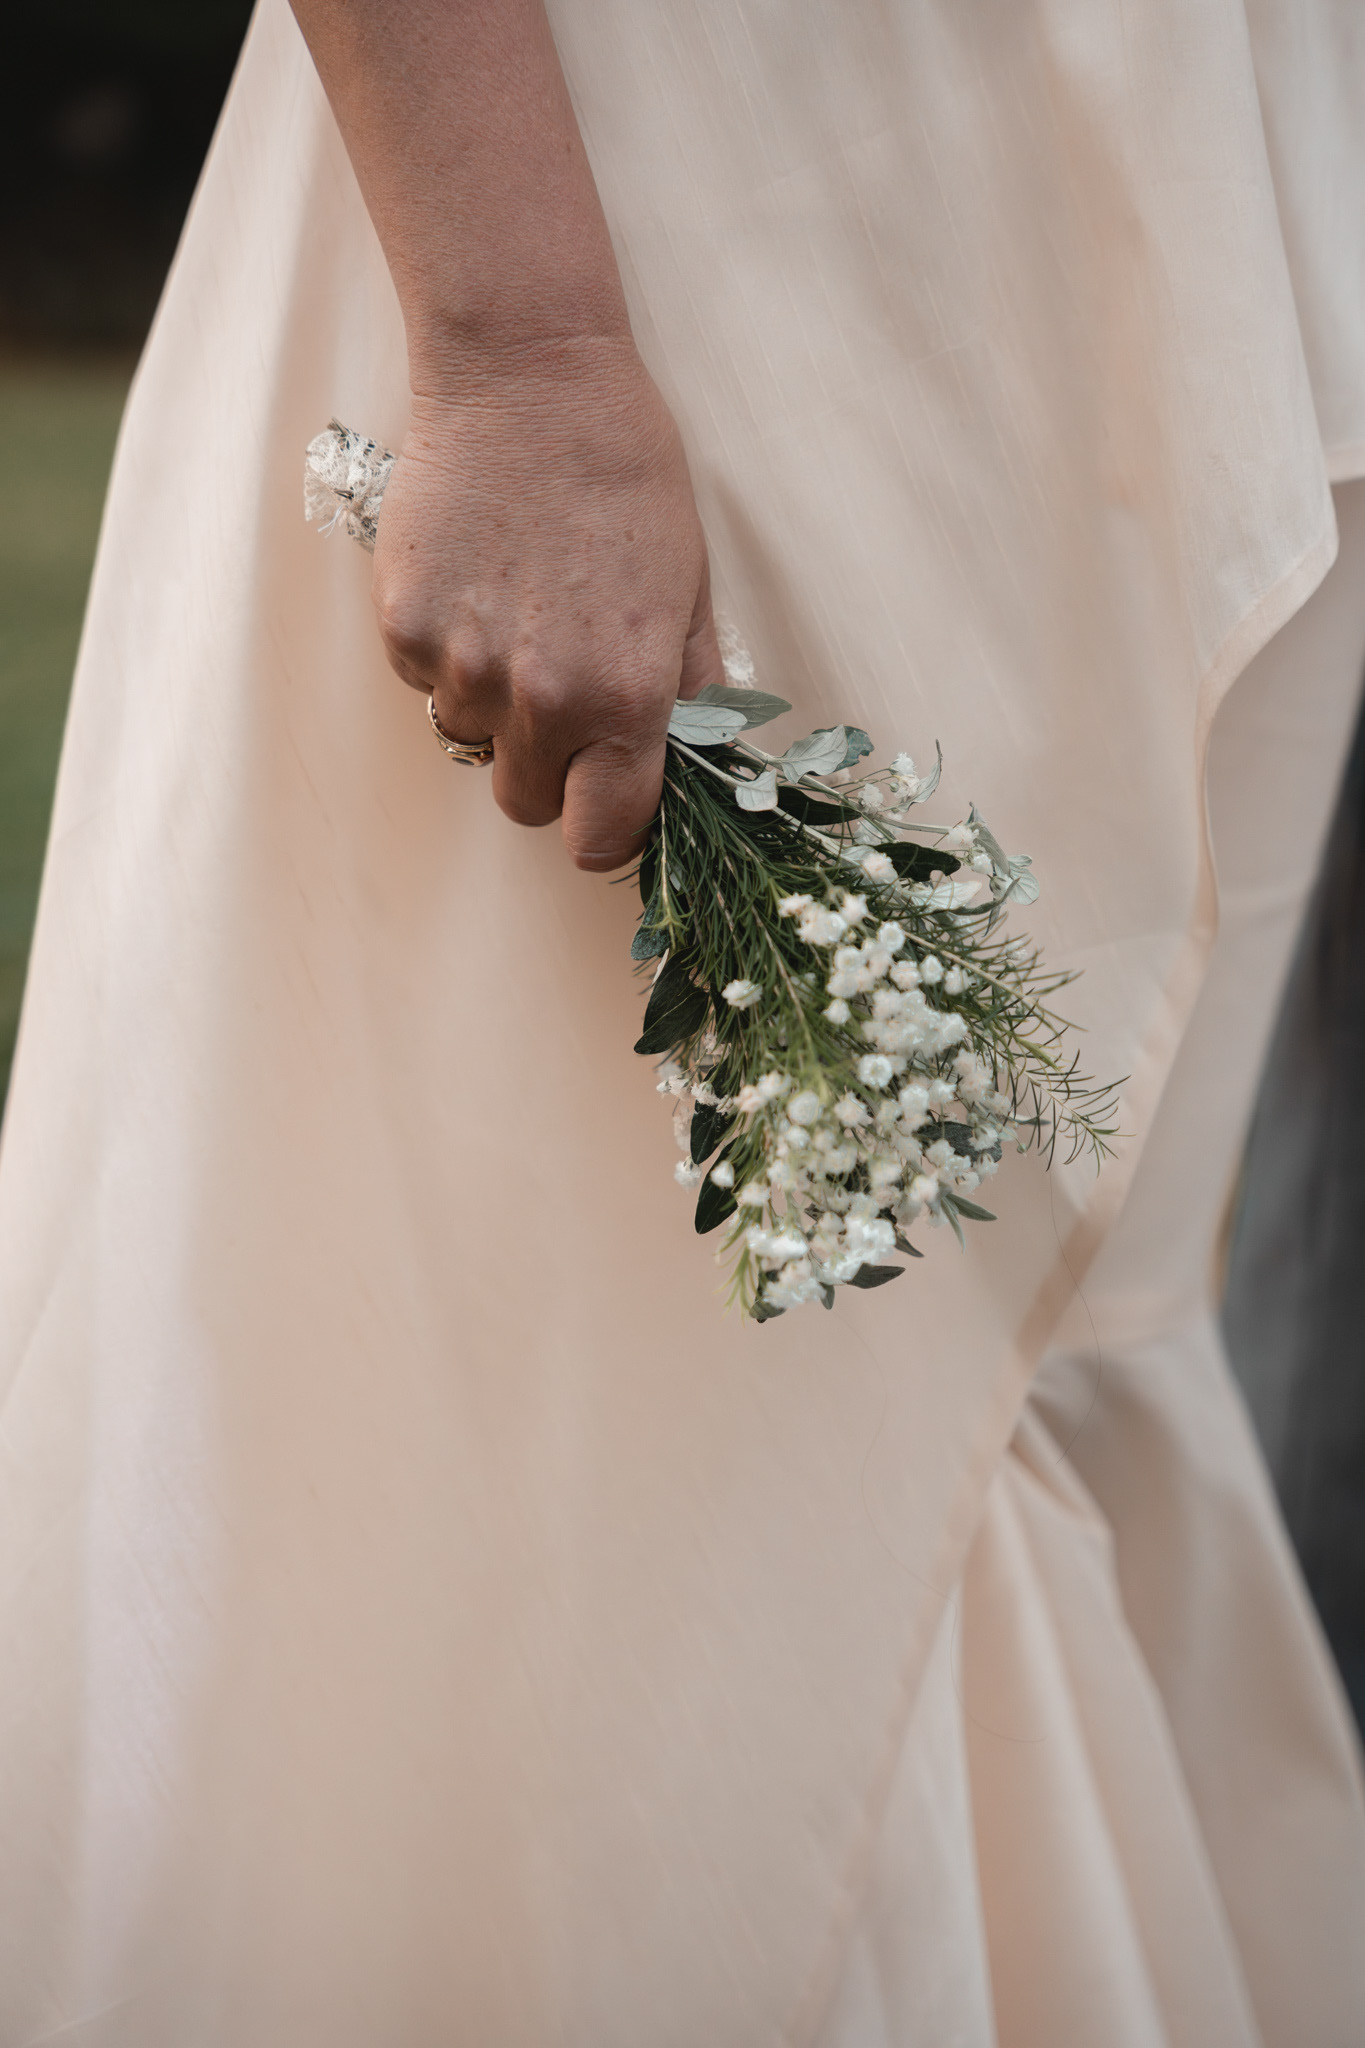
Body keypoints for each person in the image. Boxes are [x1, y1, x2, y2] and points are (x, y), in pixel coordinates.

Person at [1, 0, 1363, 2040]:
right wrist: (518, 338)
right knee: (667, 1472)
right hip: (697, 229)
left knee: (1054, 1359)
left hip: (1226, 219)